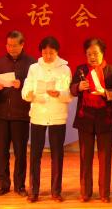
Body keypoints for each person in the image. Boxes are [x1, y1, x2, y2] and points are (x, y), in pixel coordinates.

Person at [70, 37, 112, 203]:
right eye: (89, 54)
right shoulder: (81, 70)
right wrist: (79, 87)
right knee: (85, 157)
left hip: (104, 119)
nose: (92, 57)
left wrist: (106, 93)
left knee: (105, 158)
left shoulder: (111, 70)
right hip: (85, 119)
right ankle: (85, 192)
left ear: (102, 53)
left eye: (95, 53)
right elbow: (72, 88)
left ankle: (104, 193)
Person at [21, 36, 72, 203]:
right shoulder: (34, 68)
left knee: (57, 155)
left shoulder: (65, 69)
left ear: (57, 52)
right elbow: (26, 89)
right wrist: (28, 94)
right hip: (38, 114)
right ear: (41, 52)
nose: (48, 56)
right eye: (45, 52)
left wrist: (59, 94)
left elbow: (69, 94)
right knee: (35, 155)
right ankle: (33, 191)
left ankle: (56, 191)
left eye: (51, 52)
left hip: (57, 116)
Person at [0, 30, 36, 197]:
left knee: (20, 152)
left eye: (14, 46)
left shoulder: (32, 64)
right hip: (1, 114)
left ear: (22, 45)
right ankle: (3, 185)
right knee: (2, 152)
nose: (11, 48)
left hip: (21, 114)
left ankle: (20, 185)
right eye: (8, 45)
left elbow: (36, 86)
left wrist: (22, 84)